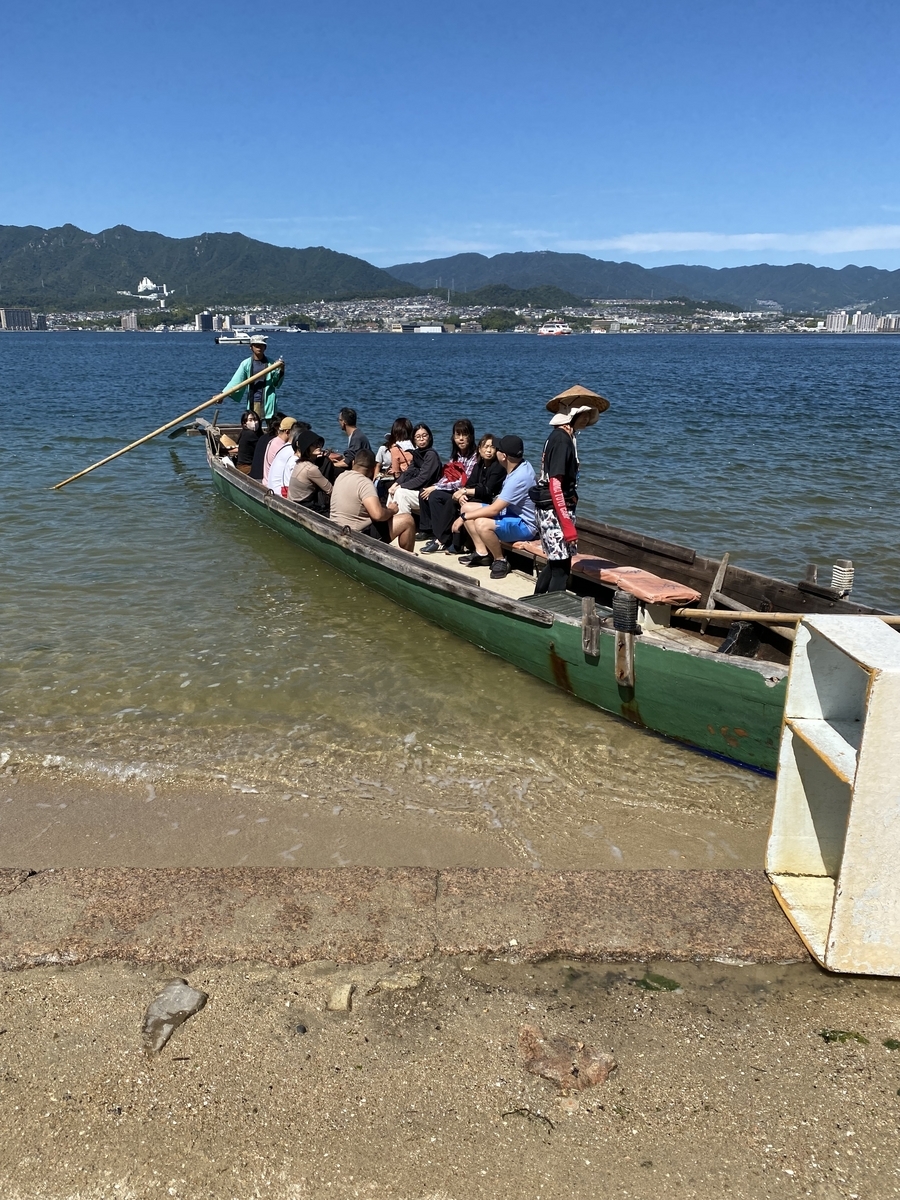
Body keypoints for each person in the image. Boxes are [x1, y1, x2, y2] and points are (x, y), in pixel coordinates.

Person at [533, 386, 608, 594]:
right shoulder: (562, 440)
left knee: (555, 563)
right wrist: (567, 526)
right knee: (562, 570)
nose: (586, 420)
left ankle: (537, 600)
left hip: (550, 510)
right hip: (555, 512)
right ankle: (551, 610)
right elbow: (555, 485)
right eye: (583, 415)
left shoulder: (560, 436)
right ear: (572, 415)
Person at [458, 434, 538, 578]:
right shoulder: (520, 464)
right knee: (466, 507)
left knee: (481, 523)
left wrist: (464, 518)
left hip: (525, 525)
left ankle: (499, 560)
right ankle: (482, 553)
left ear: (504, 456)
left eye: (497, 449)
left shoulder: (519, 477)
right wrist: (466, 513)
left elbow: (495, 509)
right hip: (510, 514)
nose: (494, 451)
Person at [329, 449, 416, 550]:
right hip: (356, 535)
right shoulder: (365, 483)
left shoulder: (341, 476)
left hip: (336, 527)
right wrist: (392, 510)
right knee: (407, 520)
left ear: (353, 463)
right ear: (373, 468)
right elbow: (377, 515)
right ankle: (406, 559)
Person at [418, 419, 478, 554]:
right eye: (458, 435)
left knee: (440, 496)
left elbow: (464, 482)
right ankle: (438, 535)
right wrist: (436, 486)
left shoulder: (474, 456)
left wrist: (437, 487)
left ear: (471, 436)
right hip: (455, 490)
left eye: (464, 435)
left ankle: (440, 540)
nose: (461, 439)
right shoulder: (456, 455)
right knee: (431, 495)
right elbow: (449, 476)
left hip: (465, 492)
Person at [447, 434, 506, 554]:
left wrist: (464, 491)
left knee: (466, 506)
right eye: (485, 446)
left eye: (492, 447)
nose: (489, 450)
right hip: (479, 498)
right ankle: (455, 541)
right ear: (479, 449)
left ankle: (463, 545)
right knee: (454, 500)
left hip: (492, 502)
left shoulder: (498, 467)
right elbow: (469, 484)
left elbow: (488, 490)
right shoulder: (479, 465)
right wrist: (463, 494)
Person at [388, 424, 442, 529]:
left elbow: (423, 478)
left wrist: (400, 487)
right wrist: (395, 484)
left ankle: (402, 527)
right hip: (418, 491)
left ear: (429, 437)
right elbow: (408, 472)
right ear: (414, 440)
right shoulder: (417, 454)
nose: (421, 439)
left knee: (401, 493)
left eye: (424, 435)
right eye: (418, 437)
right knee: (392, 491)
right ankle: (388, 525)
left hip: (427, 493)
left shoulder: (431, 455)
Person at [225, 335, 285, 419]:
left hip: (268, 400)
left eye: (261, 345)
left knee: (272, 426)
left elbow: (276, 383)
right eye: (256, 345)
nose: (259, 348)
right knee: (255, 424)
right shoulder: (246, 364)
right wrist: (223, 395)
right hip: (254, 400)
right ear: (251, 347)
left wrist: (281, 369)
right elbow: (236, 381)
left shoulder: (271, 364)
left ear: (265, 347)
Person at [289, 430, 333, 511]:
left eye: (319, 443)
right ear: (307, 447)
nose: (318, 446)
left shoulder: (299, 463)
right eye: (314, 444)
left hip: (293, 503)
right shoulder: (311, 469)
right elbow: (330, 490)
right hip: (304, 506)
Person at [374, 417, 414, 501]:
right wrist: (375, 479)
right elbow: (377, 465)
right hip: (387, 475)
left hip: (398, 477)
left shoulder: (399, 450)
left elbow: (397, 473)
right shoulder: (383, 449)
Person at [329, 407, 372, 474]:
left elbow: (346, 463)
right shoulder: (356, 434)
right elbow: (351, 457)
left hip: (362, 471)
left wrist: (330, 465)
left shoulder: (356, 438)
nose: (339, 423)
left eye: (339, 420)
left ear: (343, 422)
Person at [265, 417, 303, 490]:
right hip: (274, 488)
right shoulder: (283, 447)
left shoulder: (275, 441)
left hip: (270, 484)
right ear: (288, 432)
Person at [250, 412, 283, 481]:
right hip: (263, 478)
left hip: (253, 476)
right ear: (277, 427)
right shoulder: (276, 442)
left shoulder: (263, 437)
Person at [234, 410, 261, 475]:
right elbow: (263, 448)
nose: (254, 422)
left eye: (255, 420)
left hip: (243, 466)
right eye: (250, 420)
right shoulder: (249, 434)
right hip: (246, 467)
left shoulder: (244, 432)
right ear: (244, 423)